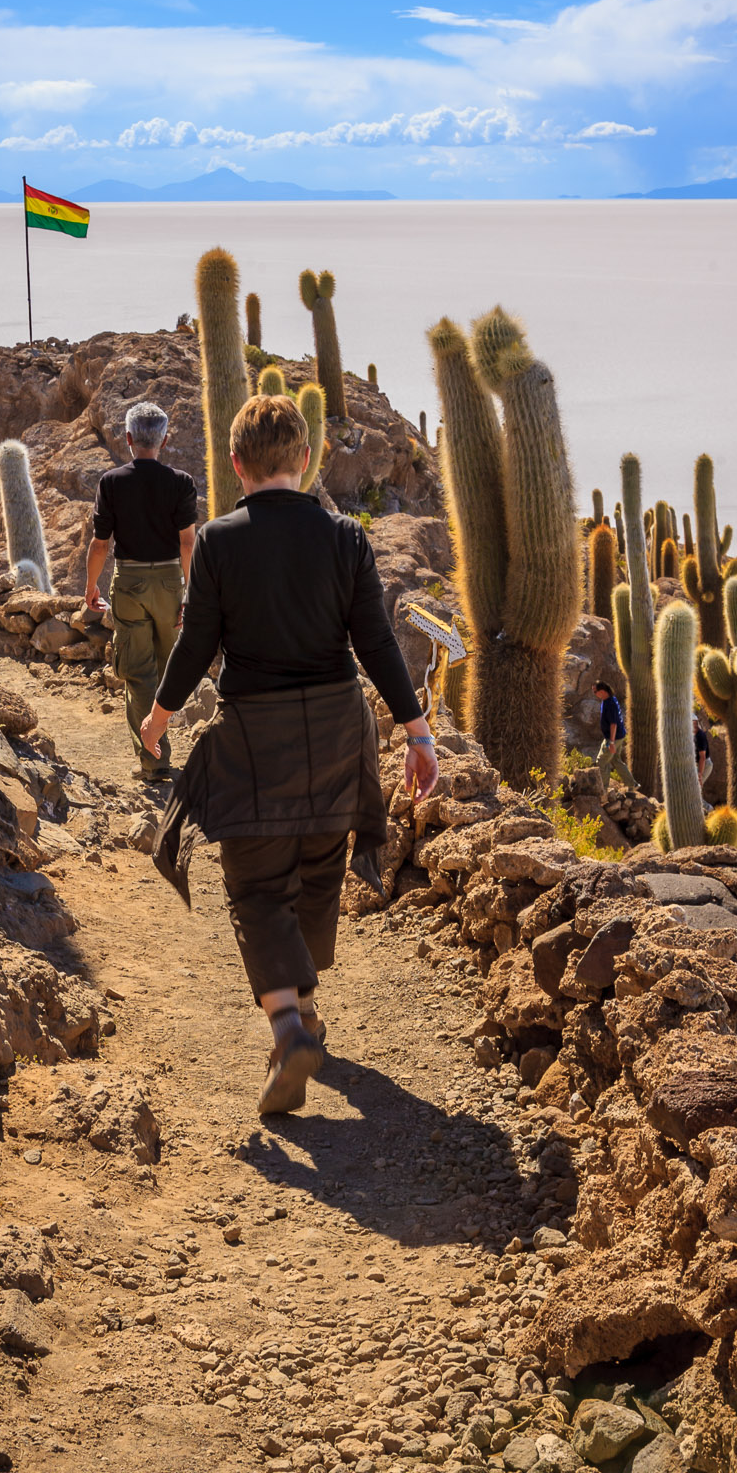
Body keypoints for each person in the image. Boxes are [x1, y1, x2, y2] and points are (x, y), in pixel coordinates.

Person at [142, 392, 439, 1117]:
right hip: (340, 728)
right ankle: (305, 1013)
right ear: (303, 460)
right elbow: (375, 641)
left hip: (257, 733)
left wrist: (158, 717)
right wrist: (417, 732)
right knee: (316, 868)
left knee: (254, 887)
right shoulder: (344, 538)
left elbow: (197, 642)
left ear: (237, 465)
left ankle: (287, 1026)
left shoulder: (217, 540)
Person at [85, 401, 197, 781]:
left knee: (138, 673)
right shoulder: (181, 482)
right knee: (167, 667)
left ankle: (153, 761)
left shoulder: (112, 482)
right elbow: (187, 545)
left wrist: (91, 587)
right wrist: (189, 592)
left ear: (129, 438)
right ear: (164, 440)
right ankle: (160, 747)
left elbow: (100, 544)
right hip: (169, 583)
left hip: (129, 582)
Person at [593, 680, 634, 787]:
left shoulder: (610, 704)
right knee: (616, 760)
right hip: (619, 736)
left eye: (595, 691)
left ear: (602, 691)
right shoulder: (610, 700)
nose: (595, 694)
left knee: (601, 762)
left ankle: (603, 789)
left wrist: (611, 742)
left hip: (613, 738)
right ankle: (632, 784)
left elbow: (613, 724)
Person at [694, 715, 713, 787]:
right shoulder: (693, 734)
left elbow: (702, 757)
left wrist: (700, 774)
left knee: (696, 787)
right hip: (697, 764)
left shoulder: (700, 736)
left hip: (705, 765)